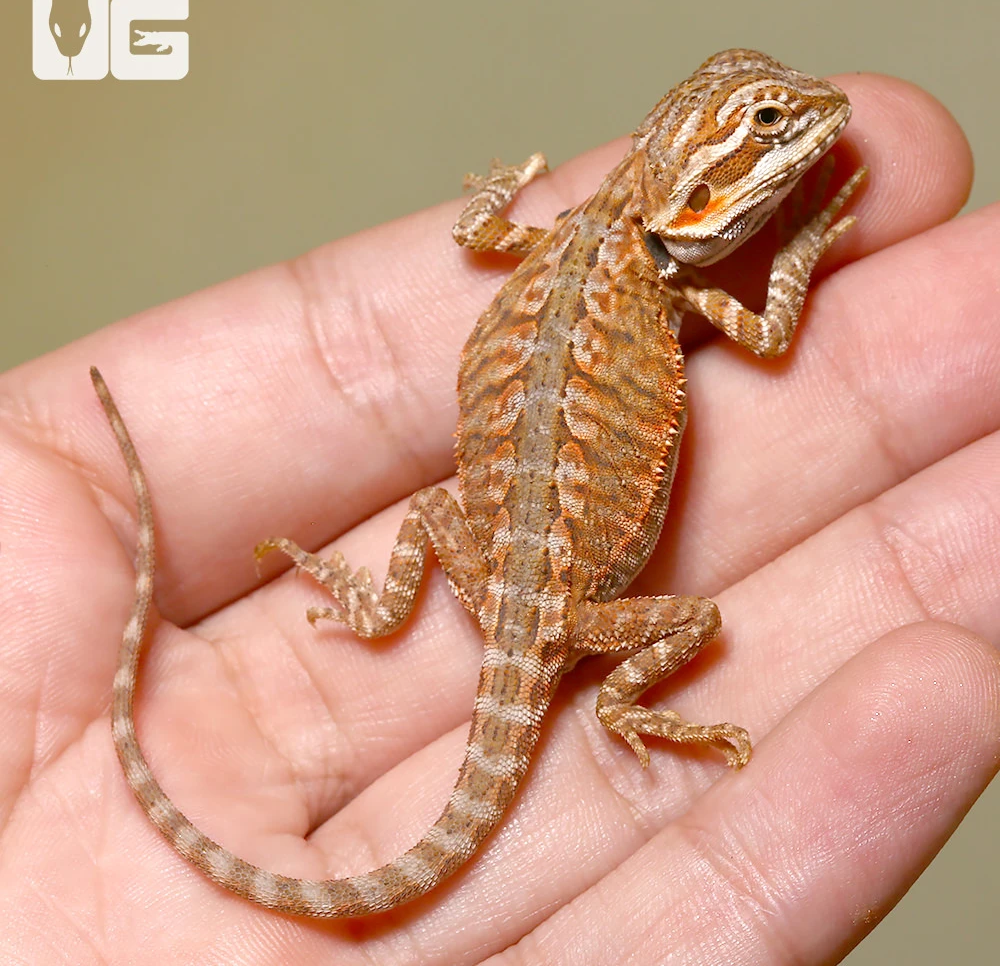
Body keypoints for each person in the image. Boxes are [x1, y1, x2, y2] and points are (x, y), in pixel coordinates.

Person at [0, 69, 996, 964]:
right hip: (569, 613)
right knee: (697, 623)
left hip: (511, 582)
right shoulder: (653, 274)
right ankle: (617, 701)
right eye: (769, 126)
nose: (804, 129)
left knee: (442, 511)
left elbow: (479, 233)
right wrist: (801, 240)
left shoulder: (579, 241)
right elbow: (772, 330)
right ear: (694, 196)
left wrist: (497, 195)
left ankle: (387, 612)